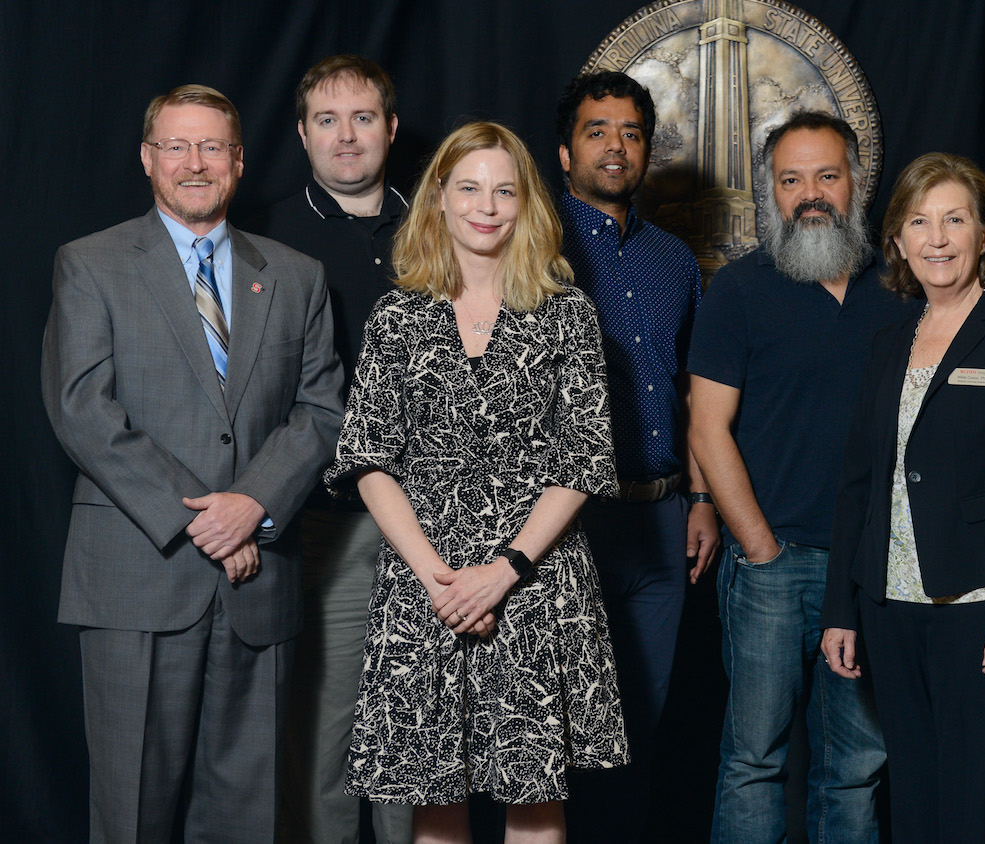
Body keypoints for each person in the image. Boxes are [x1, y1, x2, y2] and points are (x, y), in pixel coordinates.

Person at [40, 84, 343, 842]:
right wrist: (211, 522)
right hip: (138, 575)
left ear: (239, 162)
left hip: (259, 584)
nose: (195, 162)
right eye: (176, 145)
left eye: (213, 146)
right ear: (148, 160)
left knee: (249, 815)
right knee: (132, 814)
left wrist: (254, 505)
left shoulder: (296, 275)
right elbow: (83, 410)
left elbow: (323, 411)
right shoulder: (91, 264)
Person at [324, 121, 628, 844]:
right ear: (438, 197)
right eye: (468, 188)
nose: (486, 205)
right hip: (423, 581)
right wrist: (439, 581)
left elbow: (582, 459)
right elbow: (367, 458)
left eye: (503, 189)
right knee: (435, 802)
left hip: (537, 580)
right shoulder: (397, 315)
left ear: (527, 204)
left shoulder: (568, 315)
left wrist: (503, 572)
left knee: (532, 802)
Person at [821, 153, 985, 843]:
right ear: (896, 239)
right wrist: (842, 608)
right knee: (917, 800)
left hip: (979, 608)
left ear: (984, 232)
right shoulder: (887, 341)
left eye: (954, 220)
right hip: (888, 604)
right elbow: (858, 485)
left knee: (975, 811)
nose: (936, 238)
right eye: (918, 222)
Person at [688, 110, 913, 844]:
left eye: (825, 175)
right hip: (770, 565)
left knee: (855, 764)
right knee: (754, 759)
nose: (809, 194)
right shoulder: (741, 290)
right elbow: (706, 426)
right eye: (790, 180)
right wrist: (757, 547)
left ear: (856, 182)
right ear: (770, 194)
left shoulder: (905, 285)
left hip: (870, 569)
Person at [552, 70, 720, 842]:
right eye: (597, 130)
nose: (615, 146)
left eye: (630, 132)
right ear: (563, 151)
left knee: (639, 725)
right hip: (568, 526)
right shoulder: (534, 249)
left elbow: (695, 395)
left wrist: (702, 499)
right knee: (559, 730)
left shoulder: (675, 263)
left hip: (660, 525)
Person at [250, 54, 413, 844]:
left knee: (418, 734)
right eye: (326, 120)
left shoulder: (444, 221)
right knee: (329, 734)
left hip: (440, 521)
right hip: (331, 519)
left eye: (361, 118)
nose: (345, 137)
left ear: (389, 127)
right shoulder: (264, 238)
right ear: (303, 134)